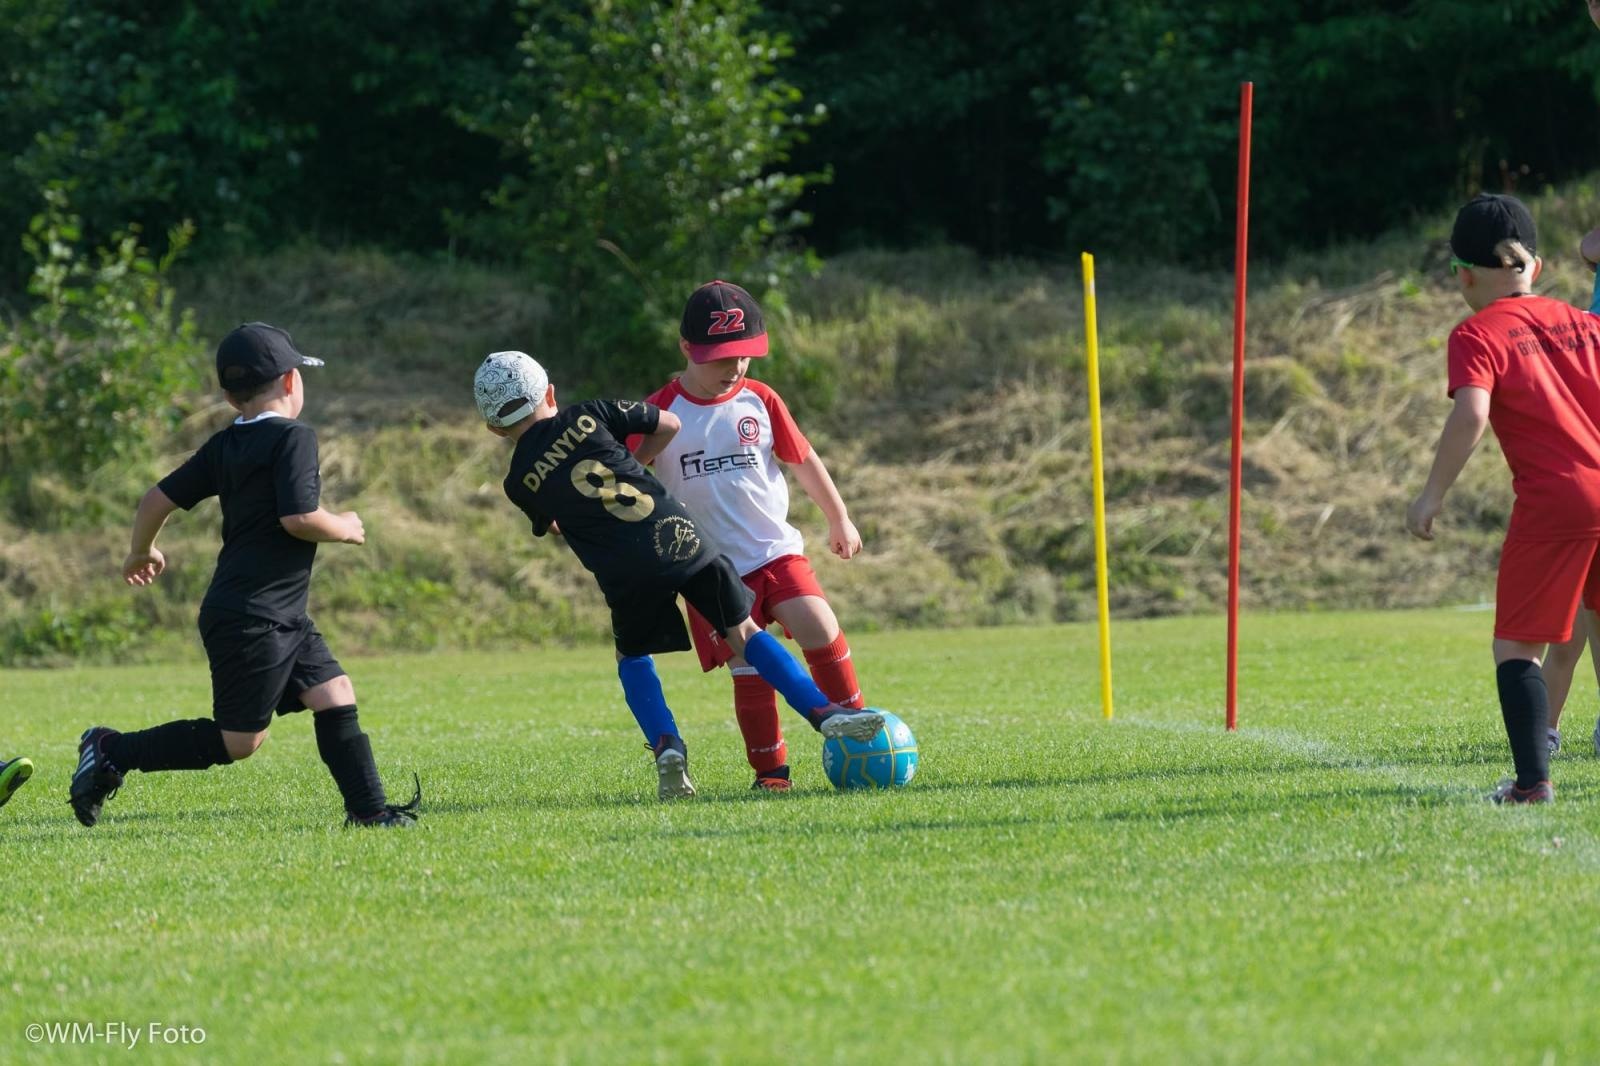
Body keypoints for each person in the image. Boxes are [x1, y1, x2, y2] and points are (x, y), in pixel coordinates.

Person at [474, 349, 884, 800]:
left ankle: (667, 744)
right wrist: (633, 465)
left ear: (495, 427)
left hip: (622, 570)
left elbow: (552, 524)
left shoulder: (518, 481)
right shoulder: (591, 414)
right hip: (676, 533)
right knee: (743, 632)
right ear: (550, 392)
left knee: (632, 658)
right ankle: (824, 713)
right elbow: (669, 424)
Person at [70, 323, 419, 828]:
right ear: (290, 380)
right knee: (238, 742)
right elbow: (298, 519)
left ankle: (370, 813)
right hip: (253, 615)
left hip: (272, 611)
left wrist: (139, 552)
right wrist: (343, 527)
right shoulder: (295, 437)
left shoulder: (224, 445)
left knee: (334, 693)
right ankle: (111, 749)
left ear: (231, 397)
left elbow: (155, 500)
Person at [634, 280, 869, 791]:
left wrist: (839, 517)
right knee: (750, 669)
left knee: (820, 625)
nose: (734, 368)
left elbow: (801, 458)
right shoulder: (660, 413)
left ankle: (859, 730)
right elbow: (622, 469)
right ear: (686, 350)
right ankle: (771, 774)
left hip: (774, 551)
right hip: (709, 569)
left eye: (744, 355)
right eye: (721, 357)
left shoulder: (760, 399)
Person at [1407, 193, 1600, 804]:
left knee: (1518, 643)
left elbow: (1472, 413)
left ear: (1463, 275)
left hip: (1558, 500)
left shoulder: (1475, 332)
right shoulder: (1588, 323)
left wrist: (1431, 494)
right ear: (1536, 268)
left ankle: (1530, 784)